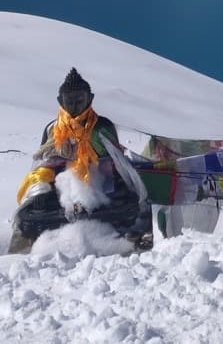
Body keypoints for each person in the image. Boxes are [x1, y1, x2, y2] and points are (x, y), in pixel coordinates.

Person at [8, 68, 151, 253]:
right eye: (69, 101)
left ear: (90, 99)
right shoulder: (54, 129)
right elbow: (43, 162)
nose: (75, 105)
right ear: (60, 101)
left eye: (79, 100)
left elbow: (118, 162)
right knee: (30, 213)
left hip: (103, 185)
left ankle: (130, 242)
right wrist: (40, 188)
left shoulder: (102, 127)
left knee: (131, 203)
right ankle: (26, 252)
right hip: (59, 190)